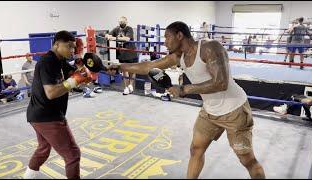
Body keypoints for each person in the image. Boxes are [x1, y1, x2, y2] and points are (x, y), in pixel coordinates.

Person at [108, 21, 265, 179]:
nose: (165, 42)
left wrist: (183, 89)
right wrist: (120, 66)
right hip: (210, 111)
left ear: (180, 35)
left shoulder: (209, 48)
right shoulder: (178, 56)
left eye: (167, 37)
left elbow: (221, 83)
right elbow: (149, 66)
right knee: (196, 150)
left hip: (234, 110)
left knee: (247, 160)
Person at [23, 30, 92, 179]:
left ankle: (28, 176)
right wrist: (75, 80)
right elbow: (51, 92)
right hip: (47, 116)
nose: (72, 50)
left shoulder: (59, 60)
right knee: (73, 154)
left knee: (43, 148)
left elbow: (75, 73)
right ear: (56, 44)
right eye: (69, 46)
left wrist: (86, 71)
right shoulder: (48, 62)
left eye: (74, 47)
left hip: (37, 114)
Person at [105, 16, 138, 95]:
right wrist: (108, 36)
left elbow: (127, 39)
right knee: (124, 71)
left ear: (126, 22)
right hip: (121, 54)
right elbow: (107, 35)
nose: (121, 23)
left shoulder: (129, 29)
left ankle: (130, 85)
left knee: (132, 70)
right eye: (120, 22)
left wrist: (114, 38)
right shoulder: (116, 29)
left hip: (131, 53)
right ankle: (126, 87)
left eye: (123, 22)